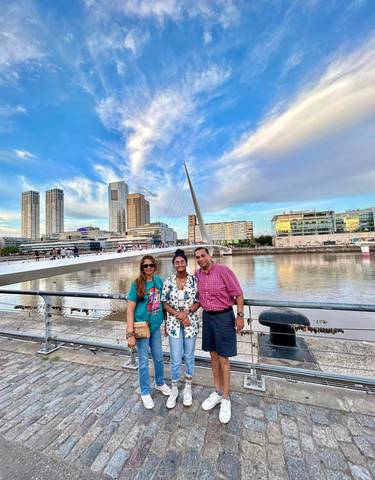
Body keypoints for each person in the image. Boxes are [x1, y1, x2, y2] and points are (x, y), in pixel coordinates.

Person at [194, 247, 244, 424]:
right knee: (213, 357)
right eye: (197, 257)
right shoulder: (197, 274)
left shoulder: (223, 271)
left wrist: (239, 316)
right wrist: (185, 312)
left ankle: (226, 398)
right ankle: (217, 391)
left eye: (203, 255)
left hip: (224, 317)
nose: (200, 259)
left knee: (224, 359)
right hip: (207, 317)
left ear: (210, 255)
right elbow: (197, 299)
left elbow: (238, 294)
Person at [127, 255, 171, 409]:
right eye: (145, 266)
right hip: (142, 328)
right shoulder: (136, 284)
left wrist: (166, 322)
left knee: (159, 357)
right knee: (144, 362)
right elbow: (130, 310)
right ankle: (145, 391)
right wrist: (130, 333)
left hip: (155, 327)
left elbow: (162, 303)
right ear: (142, 267)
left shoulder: (159, 281)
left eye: (151, 265)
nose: (148, 268)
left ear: (155, 266)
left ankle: (159, 382)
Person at [162, 249, 200, 409]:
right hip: (174, 325)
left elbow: (199, 301)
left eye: (182, 261)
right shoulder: (168, 281)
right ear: (173, 264)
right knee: (176, 357)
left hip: (191, 323)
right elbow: (164, 302)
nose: (179, 264)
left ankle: (188, 388)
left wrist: (187, 312)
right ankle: (175, 388)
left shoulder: (194, 281)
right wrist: (179, 314)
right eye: (176, 262)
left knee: (189, 356)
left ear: (186, 263)